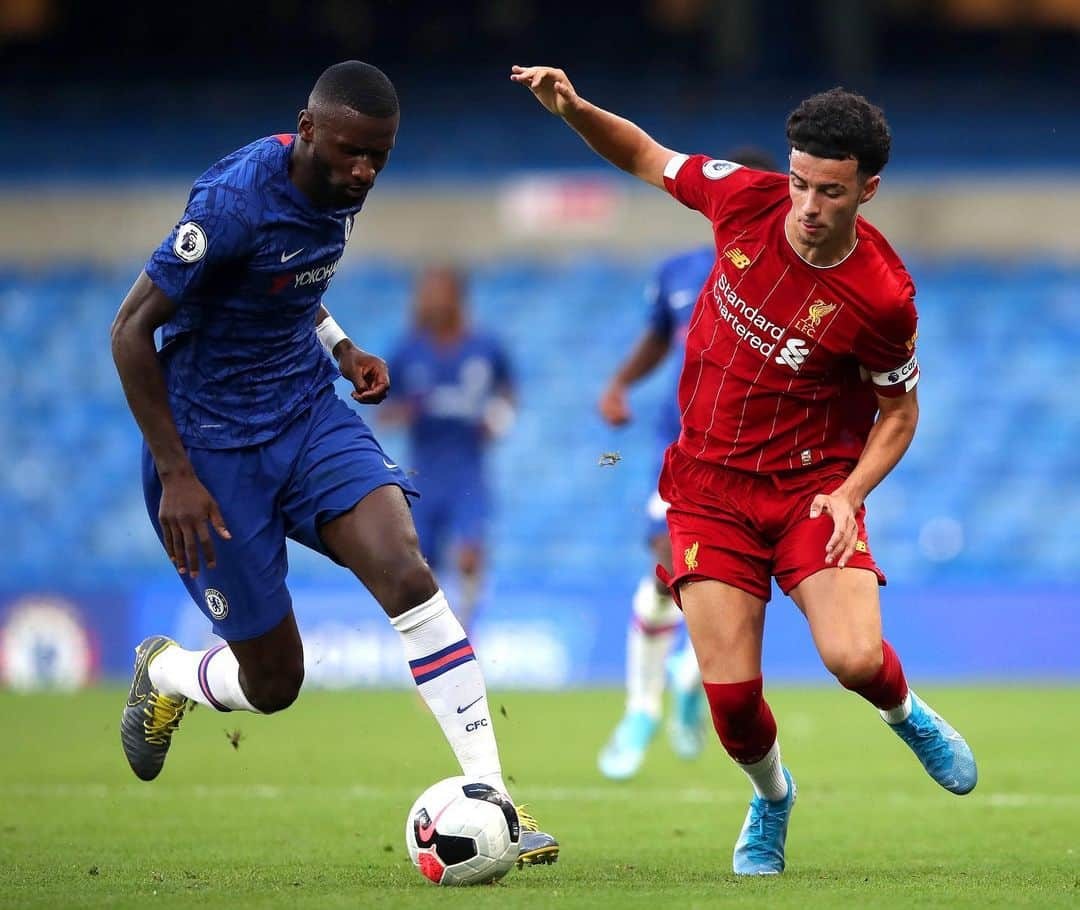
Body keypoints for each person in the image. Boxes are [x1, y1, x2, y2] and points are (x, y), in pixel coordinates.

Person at [512, 64, 976, 874]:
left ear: (868, 190)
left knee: (853, 660)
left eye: (830, 192)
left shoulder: (884, 299)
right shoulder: (746, 197)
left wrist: (850, 492)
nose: (806, 207)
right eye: (799, 183)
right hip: (706, 489)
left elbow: (899, 414)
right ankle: (772, 801)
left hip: (809, 488)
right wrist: (575, 108)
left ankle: (907, 714)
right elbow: (646, 156)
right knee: (730, 706)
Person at [110, 60, 557, 866]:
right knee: (276, 683)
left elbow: (287, 280)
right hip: (210, 452)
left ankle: (498, 802)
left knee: (407, 570)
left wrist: (342, 347)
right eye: (351, 153)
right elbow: (130, 331)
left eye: (379, 158)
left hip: (307, 414)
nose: (364, 172)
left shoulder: (339, 190)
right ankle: (169, 672)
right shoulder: (231, 204)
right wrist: (175, 471)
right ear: (307, 129)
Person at [597, 148, 778, 781]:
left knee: (703, 587)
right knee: (664, 567)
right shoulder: (680, 272)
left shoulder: (791, 282)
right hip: (682, 452)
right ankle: (646, 705)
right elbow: (656, 338)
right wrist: (620, 383)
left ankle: (687, 676)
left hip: (759, 463)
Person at [380, 266, 516, 631]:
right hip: (422, 472)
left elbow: (508, 391)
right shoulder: (408, 350)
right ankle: (435, 638)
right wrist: (406, 411)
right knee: (421, 566)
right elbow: (382, 407)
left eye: (440, 291)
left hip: (468, 469)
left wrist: (500, 417)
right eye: (427, 292)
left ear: (458, 296)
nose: (432, 300)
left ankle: (467, 629)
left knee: (470, 555)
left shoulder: (485, 347)